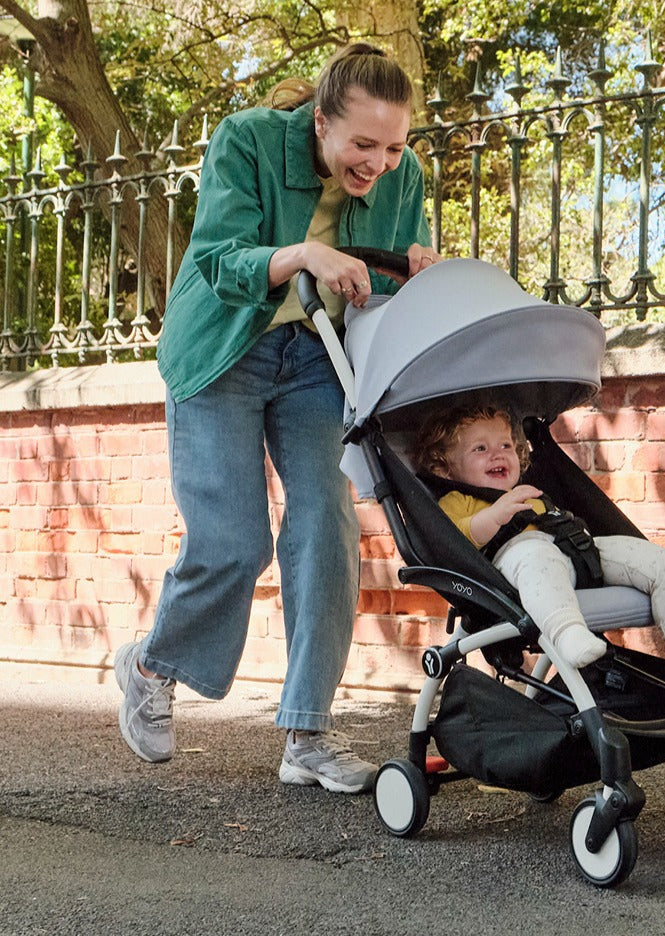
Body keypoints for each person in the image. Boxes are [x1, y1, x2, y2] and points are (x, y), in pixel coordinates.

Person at [114, 42, 442, 793]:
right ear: (321, 122)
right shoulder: (248, 140)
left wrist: (416, 270)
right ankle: (152, 665)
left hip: (317, 356)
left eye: (393, 147)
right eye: (363, 144)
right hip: (224, 347)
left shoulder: (405, 177)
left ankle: (308, 734)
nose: (379, 163)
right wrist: (302, 256)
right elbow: (219, 261)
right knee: (233, 540)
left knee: (327, 526)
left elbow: (381, 292)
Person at [412, 405, 665, 698]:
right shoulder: (456, 500)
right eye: (480, 448)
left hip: (578, 552)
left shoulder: (526, 490)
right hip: (525, 565)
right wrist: (495, 516)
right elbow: (456, 539)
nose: (497, 454)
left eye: (506, 446)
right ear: (445, 468)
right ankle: (568, 634)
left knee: (659, 560)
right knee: (536, 555)